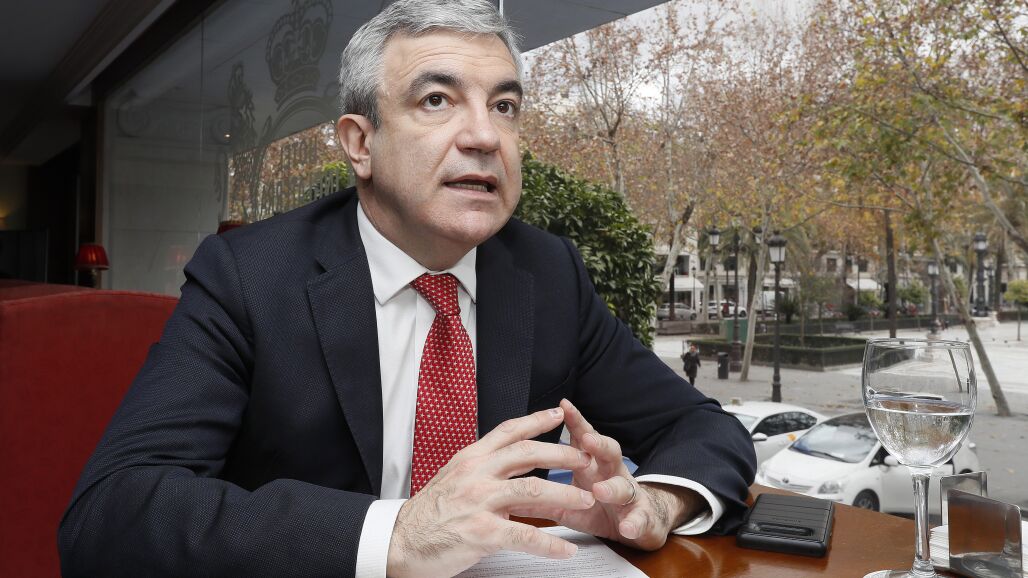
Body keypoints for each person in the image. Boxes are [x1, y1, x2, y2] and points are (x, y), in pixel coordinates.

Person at [58, 1, 755, 576]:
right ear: (360, 144)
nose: (484, 135)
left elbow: (701, 428)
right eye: (437, 99)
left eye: (505, 105)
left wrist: (653, 505)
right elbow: (112, 513)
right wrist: (396, 536)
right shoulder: (248, 276)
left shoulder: (546, 275)